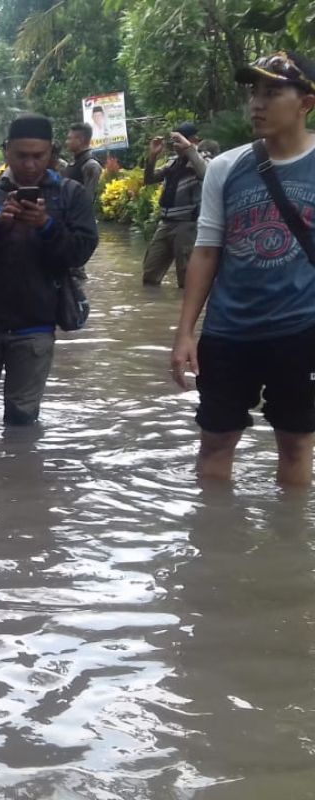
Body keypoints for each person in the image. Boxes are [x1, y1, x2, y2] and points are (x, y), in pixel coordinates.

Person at [170, 50, 315, 488]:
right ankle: (214, 547)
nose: (257, 103)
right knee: (214, 442)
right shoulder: (227, 168)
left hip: (302, 331)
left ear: (306, 103)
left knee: (296, 444)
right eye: (254, 92)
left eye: (273, 92)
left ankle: (287, 550)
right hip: (229, 332)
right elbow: (207, 251)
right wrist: (184, 333)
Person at [0, 114, 99, 426]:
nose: (30, 164)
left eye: (38, 156)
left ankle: (18, 474)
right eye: (21, 156)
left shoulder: (71, 195)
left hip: (36, 327)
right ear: (6, 151)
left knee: (22, 419)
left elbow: (80, 253)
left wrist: (46, 227)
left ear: (51, 153)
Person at [142, 122, 208, 288]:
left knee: (186, 279)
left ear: (193, 140)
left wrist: (189, 148)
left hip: (187, 225)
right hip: (166, 223)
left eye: (179, 141)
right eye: (174, 142)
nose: (175, 146)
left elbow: (206, 174)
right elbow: (149, 179)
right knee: (150, 273)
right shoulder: (173, 163)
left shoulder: (203, 159)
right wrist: (152, 157)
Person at [64, 122, 103, 201]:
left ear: (80, 140)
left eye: (69, 138)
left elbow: (89, 199)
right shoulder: (74, 162)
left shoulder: (90, 165)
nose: (66, 142)